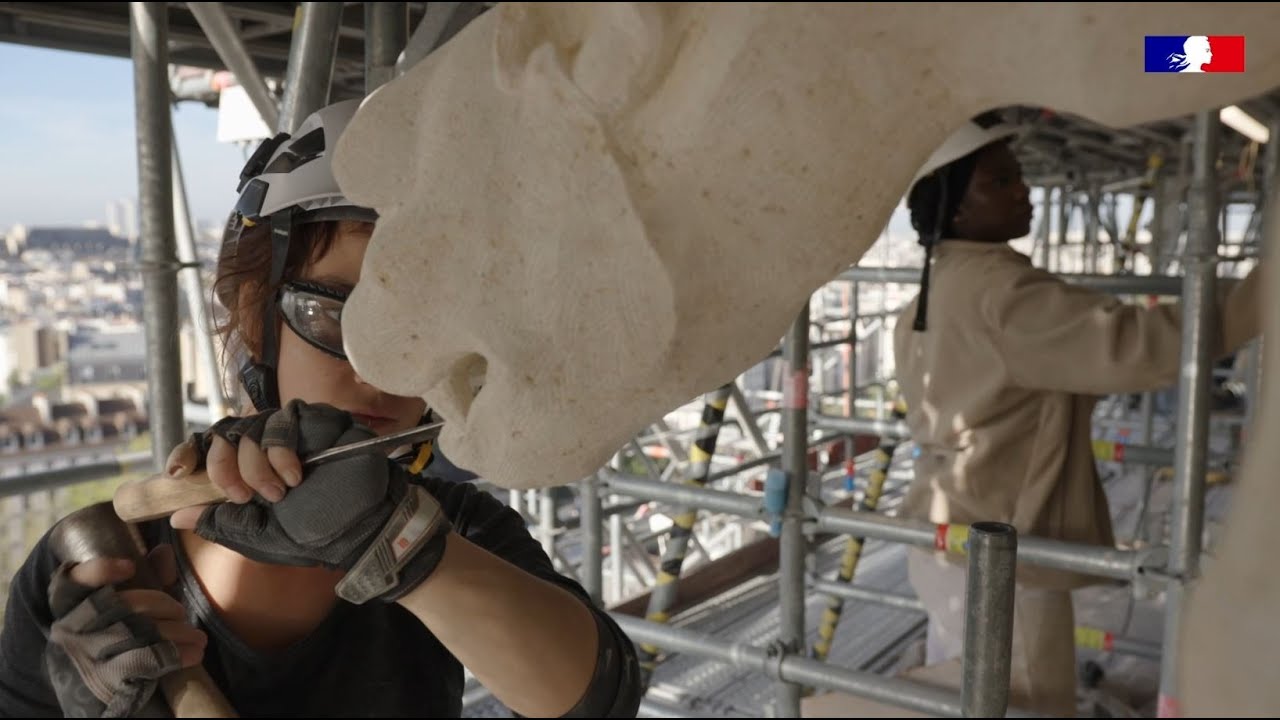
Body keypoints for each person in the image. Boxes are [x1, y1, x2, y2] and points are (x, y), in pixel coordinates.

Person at [0, 99, 642, 719]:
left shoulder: (454, 527)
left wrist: (401, 544)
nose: (388, 366)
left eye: (428, 327)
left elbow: (594, 695)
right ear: (255, 319)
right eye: (335, 315)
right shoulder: (95, 567)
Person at [891, 114, 1263, 717]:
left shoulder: (931, 293)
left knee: (973, 694)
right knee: (1032, 702)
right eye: (1000, 181)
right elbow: (1142, 347)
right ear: (955, 210)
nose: (1023, 189)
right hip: (1001, 554)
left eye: (1018, 176)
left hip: (944, 537)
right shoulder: (1002, 295)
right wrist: (1260, 295)